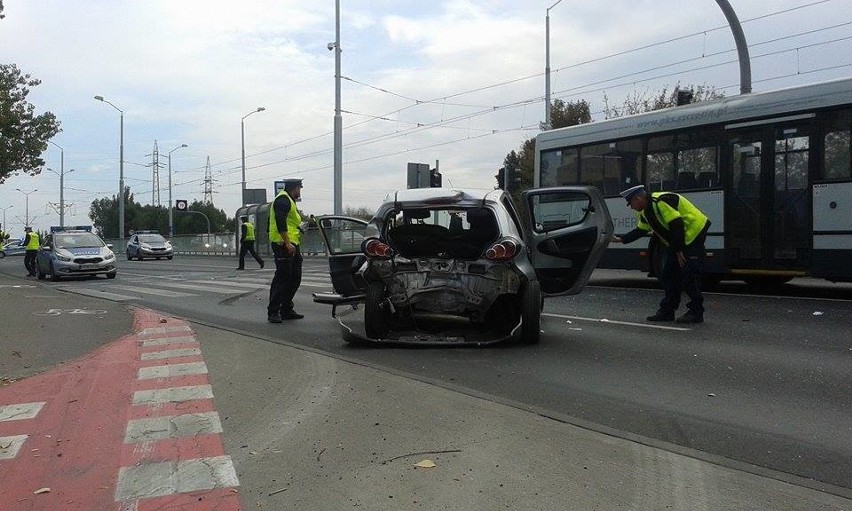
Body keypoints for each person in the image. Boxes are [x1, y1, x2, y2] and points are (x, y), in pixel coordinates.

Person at [611, 185, 710, 324]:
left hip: (693, 234)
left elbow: (677, 225)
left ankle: (696, 312)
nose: (631, 207)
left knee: (689, 274)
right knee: (669, 274)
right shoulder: (644, 211)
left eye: (631, 203)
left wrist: (678, 250)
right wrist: (620, 239)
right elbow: (641, 230)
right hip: (679, 240)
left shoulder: (660, 202)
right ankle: (667, 311)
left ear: (637, 199)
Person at [267, 179, 305, 323]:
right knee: (282, 277)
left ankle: (286, 309)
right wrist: (287, 243)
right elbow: (280, 221)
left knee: (295, 277)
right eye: (299, 189)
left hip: (292, 243)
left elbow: (290, 222)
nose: (299, 192)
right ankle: (273, 311)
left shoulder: (289, 200)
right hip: (283, 243)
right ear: (294, 188)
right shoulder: (282, 199)